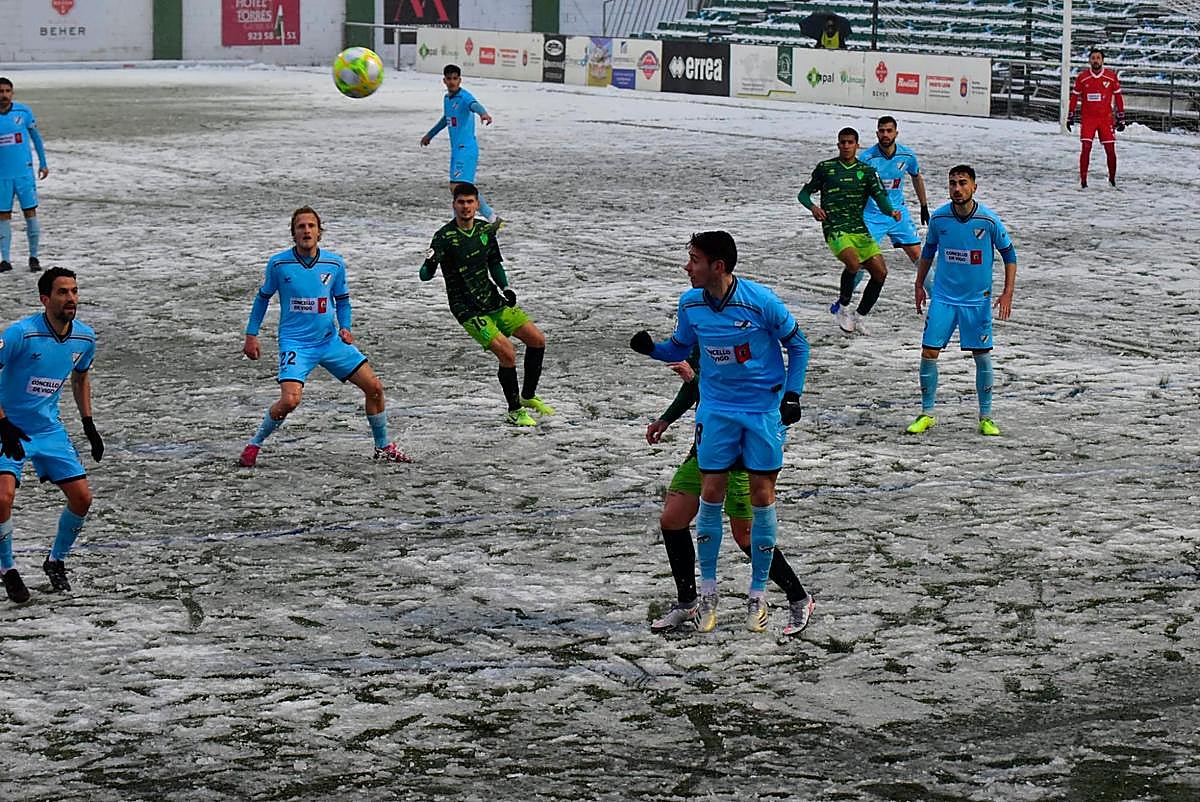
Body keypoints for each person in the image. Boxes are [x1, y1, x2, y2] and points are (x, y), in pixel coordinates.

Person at [630, 230, 811, 634]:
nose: (686, 265)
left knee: (749, 525)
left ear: (718, 266)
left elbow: (799, 345)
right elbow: (679, 347)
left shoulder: (760, 302)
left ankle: (787, 598)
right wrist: (652, 349)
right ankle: (694, 603)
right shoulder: (691, 304)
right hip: (715, 414)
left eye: (693, 259)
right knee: (677, 515)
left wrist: (793, 395)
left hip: (761, 413)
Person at [646, 349, 815, 636]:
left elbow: (736, 388)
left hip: (743, 448)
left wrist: (694, 377)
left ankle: (800, 599)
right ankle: (687, 602)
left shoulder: (746, 328)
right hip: (708, 446)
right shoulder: (701, 327)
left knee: (746, 536)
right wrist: (667, 419)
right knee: (672, 519)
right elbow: (695, 388)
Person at [238, 207, 411, 467]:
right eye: (301, 227)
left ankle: (383, 446)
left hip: (330, 341)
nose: (306, 231)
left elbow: (342, 301)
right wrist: (251, 335)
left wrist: (346, 326)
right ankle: (255, 444)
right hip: (296, 343)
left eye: (311, 226)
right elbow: (263, 298)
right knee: (290, 400)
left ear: (319, 231)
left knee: (374, 388)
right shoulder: (279, 264)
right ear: (293, 233)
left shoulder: (334, 264)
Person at [0, 267, 103, 603]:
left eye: (74, 291)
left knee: (82, 498)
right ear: (45, 299)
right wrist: (3, 422)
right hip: (7, 427)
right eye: (62, 292)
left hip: (47, 429)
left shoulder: (84, 338)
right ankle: (8, 570)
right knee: (3, 498)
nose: (71, 298)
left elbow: (80, 378)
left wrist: (88, 423)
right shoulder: (21, 334)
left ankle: (55, 561)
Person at [420, 182, 553, 427]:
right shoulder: (443, 237)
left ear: (477, 204)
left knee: (537, 340)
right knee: (507, 353)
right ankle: (514, 411)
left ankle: (528, 397)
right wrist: (430, 263)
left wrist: (506, 287)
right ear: (454, 205)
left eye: (470, 202)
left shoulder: (485, 231)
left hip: (492, 299)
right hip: (467, 308)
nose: (466, 207)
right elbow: (424, 275)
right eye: (461, 202)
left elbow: (495, 264)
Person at [906, 165, 1017, 437]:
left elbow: (1010, 255)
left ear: (974, 187)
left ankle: (986, 417)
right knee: (929, 352)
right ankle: (926, 413)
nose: (957, 188)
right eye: (953, 183)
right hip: (943, 298)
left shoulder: (988, 221)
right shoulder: (940, 218)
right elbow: (928, 252)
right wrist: (920, 284)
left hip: (977, 302)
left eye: (963, 183)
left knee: (981, 356)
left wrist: (1007, 293)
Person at [798, 127, 901, 336]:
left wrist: (891, 211)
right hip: (835, 227)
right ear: (838, 145)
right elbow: (804, 194)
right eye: (842, 142)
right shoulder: (826, 168)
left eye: (850, 143)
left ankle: (860, 316)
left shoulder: (867, 172)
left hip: (858, 228)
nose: (846, 146)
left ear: (857, 145)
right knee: (853, 263)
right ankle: (843, 307)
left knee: (880, 273)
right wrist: (813, 208)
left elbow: (881, 198)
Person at [420, 64, 502, 227]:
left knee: (457, 187)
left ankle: (487, 218)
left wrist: (483, 113)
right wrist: (430, 134)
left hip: (467, 149)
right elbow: (446, 119)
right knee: (460, 187)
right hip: (457, 150)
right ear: (444, 80)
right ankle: (489, 218)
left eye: (455, 78)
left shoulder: (464, 97)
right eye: (449, 79)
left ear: (460, 80)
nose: (452, 82)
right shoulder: (447, 99)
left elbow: (474, 105)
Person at [856, 116, 930, 293]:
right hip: (873, 215)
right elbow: (856, 186)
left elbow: (916, 177)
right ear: (877, 133)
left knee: (919, 256)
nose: (885, 134)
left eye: (889, 131)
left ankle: (936, 297)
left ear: (896, 133)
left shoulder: (907, 156)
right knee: (861, 259)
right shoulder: (867, 158)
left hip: (898, 214)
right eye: (881, 131)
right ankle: (844, 300)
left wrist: (924, 206)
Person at [0, 76, 50, 274]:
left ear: (12, 93)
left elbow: (36, 139)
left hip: (24, 174)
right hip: (1, 177)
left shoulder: (23, 112)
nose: (3, 95)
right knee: (3, 216)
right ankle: (5, 259)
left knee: (30, 213)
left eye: (7, 91)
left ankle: (34, 256)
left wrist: (43, 163)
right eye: (0, 91)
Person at [1068, 47, 1124, 189]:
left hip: (1106, 119)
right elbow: (1074, 96)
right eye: (1093, 58)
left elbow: (1118, 97)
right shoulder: (1083, 77)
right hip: (1088, 119)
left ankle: (1112, 179)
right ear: (1089, 60)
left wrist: (1121, 116)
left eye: (1098, 58)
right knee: (1086, 148)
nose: (1096, 60)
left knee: (1110, 150)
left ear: (1102, 60)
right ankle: (1083, 181)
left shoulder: (1110, 76)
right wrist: (1070, 115)